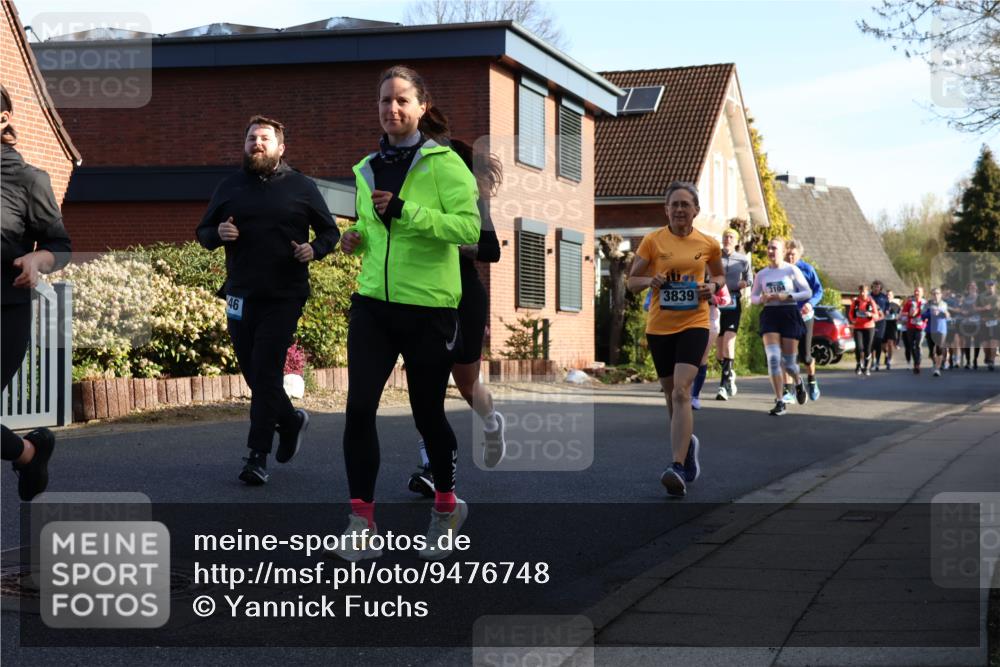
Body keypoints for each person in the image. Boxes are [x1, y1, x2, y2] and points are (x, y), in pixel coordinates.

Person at [334, 66, 481, 560]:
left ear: (421, 107)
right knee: (358, 410)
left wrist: (406, 212)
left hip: (428, 308)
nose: (391, 109)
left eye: (401, 100)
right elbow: (375, 235)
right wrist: (355, 240)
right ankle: (362, 522)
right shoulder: (365, 168)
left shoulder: (444, 163)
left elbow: (468, 230)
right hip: (373, 304)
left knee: (426, 413)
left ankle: (445, 506)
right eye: (384, 101)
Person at [196, 115, 340, 485]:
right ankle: (290, 421)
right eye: (251, 138)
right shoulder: (230, 186)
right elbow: (203, 232)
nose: (256, 143)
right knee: (254, 372)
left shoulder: (301, 186)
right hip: (240, 294)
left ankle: (256, 456)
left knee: (266, 368)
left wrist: (314, 249)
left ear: (280, 148)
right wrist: (219, 232)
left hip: (284, 294)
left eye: (264, 138)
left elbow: (330, 231)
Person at [408, 140, 505, 498]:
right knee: (427, 382)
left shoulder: (472, 202)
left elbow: (492, 250)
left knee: (466, 383)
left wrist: (463, 245)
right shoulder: (416, 199)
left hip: (464, 296)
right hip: (425, 297)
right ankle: (431, 467)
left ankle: (491, 423)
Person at [627, 181, 724, 498]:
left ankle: (677, 466)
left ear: (696, 210)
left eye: (686, 204)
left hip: (694, 322)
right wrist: (649, 280)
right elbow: (631, 282)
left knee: (683, 390)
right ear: (666, 209)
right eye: (675, 204)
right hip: (660, 327)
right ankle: (689, 443)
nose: (680, 209)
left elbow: (720, 275)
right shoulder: (653, 241)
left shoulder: (708, 243)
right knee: (672, 398)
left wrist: (713, 286)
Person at [1, 84, 71, 501]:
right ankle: (27, 452)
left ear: (3, 118)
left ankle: (29, 453)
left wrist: (37, 260)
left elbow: (59, 244)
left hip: (4, 309)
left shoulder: (29, 180)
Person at [751, 237, 812, 416]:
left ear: (784, 251)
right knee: (773, 359)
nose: (771, 251)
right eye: (769, 248)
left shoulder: (791, 270)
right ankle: (779, 400)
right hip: (770, 315)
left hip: (789, 314)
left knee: (789, 363)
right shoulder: (762, 274)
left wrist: (788, 296)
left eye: (774, 248)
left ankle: (798, 382)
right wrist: (760, 299)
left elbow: (807, 292)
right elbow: (753, 297)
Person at [714, 229, 752, 401]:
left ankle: (723, 386)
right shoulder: (714, 258)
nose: (727, 240)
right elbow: (707, 276)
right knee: (719, 352)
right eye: (725, 237)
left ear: (736, 241)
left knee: (729, 342)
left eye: (731, 237)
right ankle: (730, 373)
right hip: (717, 303)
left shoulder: (743, 259)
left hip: (734, 302)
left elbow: (750, 279)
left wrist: (743, 283)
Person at [784, 240, 823, 401]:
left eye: (793, 254)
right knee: (788, 355)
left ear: (800, 255)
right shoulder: (781, 269)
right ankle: (789, 391)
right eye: (788, 254)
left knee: (805, 357)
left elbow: (819, 291)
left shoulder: (807, 269)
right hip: (788, 316)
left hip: (805, 316)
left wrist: (810, 303)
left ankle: (812, 381)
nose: (790, 256)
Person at [848, 283, 882, 376]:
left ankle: (866, 367)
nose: (862, 293)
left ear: (867, 292)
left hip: (869, 327)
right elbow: (851, 313)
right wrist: (853, 320)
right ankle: (859, 365)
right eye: (861, 291)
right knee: (859, 348)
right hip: (858, 327)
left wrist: (871, 315)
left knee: (867, 349)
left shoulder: (871, 301)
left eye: (864, 291)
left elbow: (877, 315)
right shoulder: (856, 302)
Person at [923, 287, 950, 377]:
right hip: (930, 329)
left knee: (939, 349)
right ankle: (935, 363)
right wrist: (931, 313)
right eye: (934, 294)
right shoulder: (928, 304)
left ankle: (937, 368)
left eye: (937, 293)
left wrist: (943, 313)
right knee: (931, 351)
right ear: (931, 295)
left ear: (941, 295)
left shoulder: (944, 304)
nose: (936, 295)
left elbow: (947, 316)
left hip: (941, 329)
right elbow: (922, 316)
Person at [901, 286, 928, 374]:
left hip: (921, 327)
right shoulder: (909, 303)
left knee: (918, 345)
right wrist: (909, 314)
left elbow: (929, 313)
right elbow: (903, 313)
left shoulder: (925, 303)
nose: (916, 293)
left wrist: (923, 315)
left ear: (922, 293)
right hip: (910, 327)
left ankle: (917, 364)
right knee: (912, 346)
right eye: (915, 291)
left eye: (918, 291)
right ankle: (915, 362)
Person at [958, 281, 981, 370]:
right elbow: (962, 310)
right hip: (967, 322)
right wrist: (964, 312)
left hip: (977, 322)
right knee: (967, 341)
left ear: (976, 288)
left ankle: (975, 360)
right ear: (968, 289)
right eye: (970, 286)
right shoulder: (965, 299)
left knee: (977, 342)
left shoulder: (980, 298)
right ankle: (968, 361)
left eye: (974, 286)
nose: (972, 287)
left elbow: (982, 309)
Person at [870, 280, 890, 371]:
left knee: (878, 343)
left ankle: (877, 362)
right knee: (871, 343)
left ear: (880, 288)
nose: (876, 288)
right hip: (870, 321)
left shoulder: (884, 297)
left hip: (881, 322)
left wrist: (885, 313)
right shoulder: (869, 296)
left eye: (877, 287)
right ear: (872, 287)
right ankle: (872, 361)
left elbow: (887, 309)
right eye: (874, 287)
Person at [980, 279, 998, 371]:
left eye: (992, 285)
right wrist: (983, 308)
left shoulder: (998, 297)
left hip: (996, 322)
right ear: (985, 286)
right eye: (989, 285)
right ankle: (987, 356)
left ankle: (992, 361)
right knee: (985, 345)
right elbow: (974, 308)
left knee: (993, 343)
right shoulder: (981, 297)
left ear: (995, 286)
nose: (990, 286)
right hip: (984, 322)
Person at [881, 289, 900, 370]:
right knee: (883, 346)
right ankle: (886, 354)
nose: (888, 296)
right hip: (883, 325)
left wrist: (897, 317)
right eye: (887, 295)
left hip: (892, 326)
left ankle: (889, 360)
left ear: (892, 296)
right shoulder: (882, 305)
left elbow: (899, 315)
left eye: (890, 295)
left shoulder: (896, 306)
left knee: (890, 343)